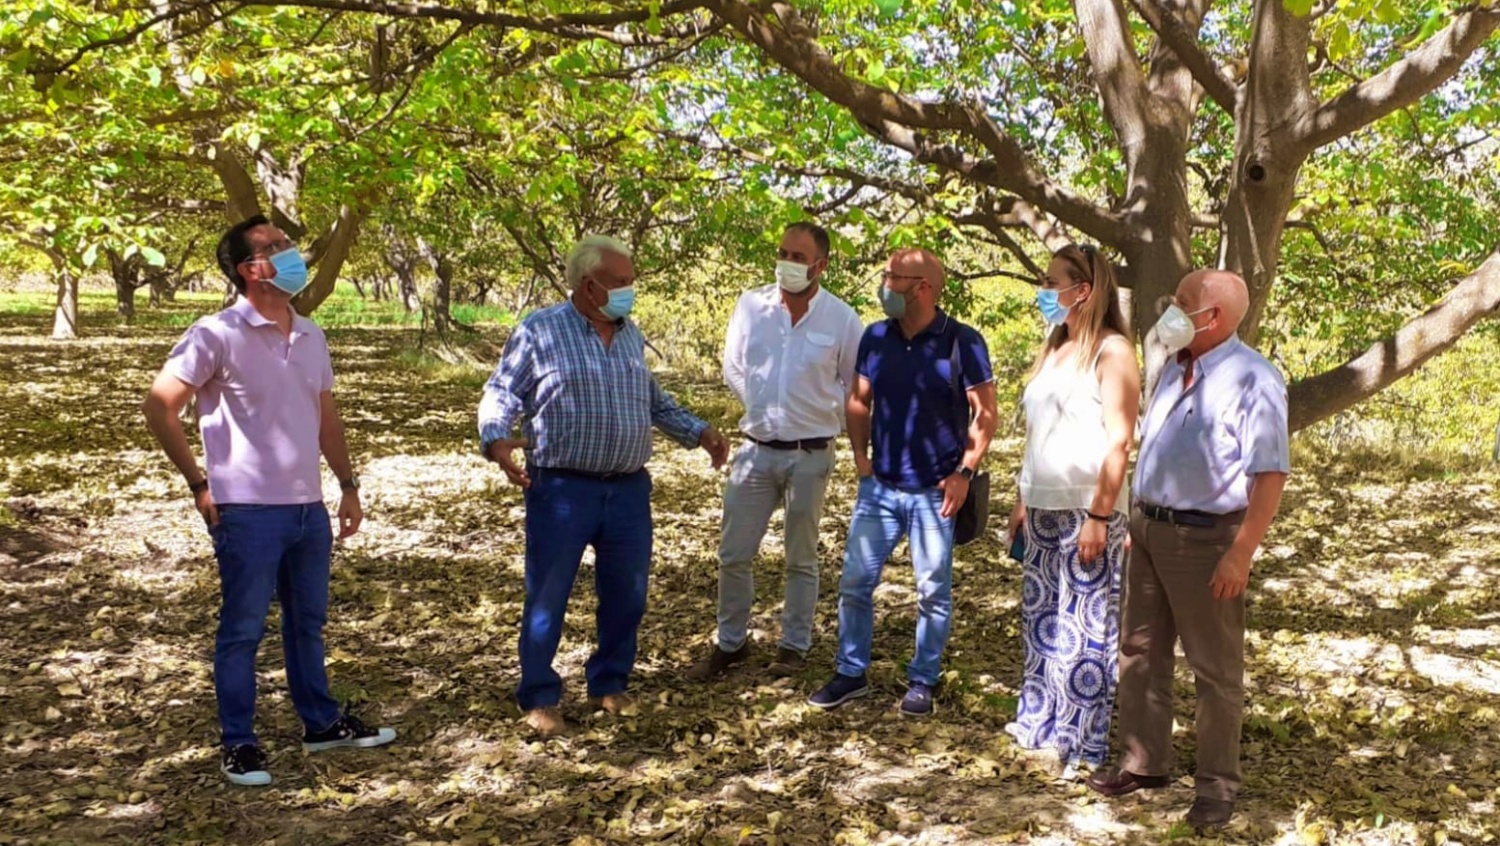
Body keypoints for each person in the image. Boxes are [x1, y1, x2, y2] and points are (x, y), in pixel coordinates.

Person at [142, 215, 396, 787]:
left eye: (287, 244)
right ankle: (240, 743)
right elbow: (161, 407)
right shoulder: (215, 334)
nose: (290, 253)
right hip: (247, 511)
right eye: (274, 247)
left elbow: (324, 414)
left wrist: (348, 485)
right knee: (242, 630)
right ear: (248, 270)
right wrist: (198, 484)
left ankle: (321, 725)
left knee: (307, 623)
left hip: (307, 509)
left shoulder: (310, 333)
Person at [479, 234, 731, 736]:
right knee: (548, 594)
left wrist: (700, 432)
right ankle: (540, 695)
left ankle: (609, 684)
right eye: (621, 282)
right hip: (563, 490)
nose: (630, 290)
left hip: (628, 490)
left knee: (627, 594)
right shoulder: (540, 331)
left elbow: (655, 402)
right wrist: (496, 439)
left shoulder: (631, 334)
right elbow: (501, 390)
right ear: (589, 286)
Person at [1086, 269, 1290, 831]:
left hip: (1207, 540)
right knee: (1140, 650)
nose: (1170, 311)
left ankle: (1216, 788)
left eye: (1182, 303)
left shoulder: (1255, 379)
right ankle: (1143, 763)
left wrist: (1241, 552)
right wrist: (1139, 517)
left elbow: (1270, 475)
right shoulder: (1174, 367)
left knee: (1214, 669)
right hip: (1149, 530)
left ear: (1215, 317)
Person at [808, 248, 997, 717]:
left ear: (923, 288)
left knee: (933, 590)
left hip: (937, 494)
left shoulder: (963, 342)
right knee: (854, 582)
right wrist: (859, 455)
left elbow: (986, 413)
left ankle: (922, 681)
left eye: (894, 277)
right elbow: (858, 400)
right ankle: (851, 673)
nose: (885, 284)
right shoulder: (875, 338)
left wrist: (964, 473)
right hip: (881, 489)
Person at [687, 222, 864, 681]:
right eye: (783, 252)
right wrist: (765, 408)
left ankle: (793, 647)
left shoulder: (842, 319)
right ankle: (731, 644)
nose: (787, 262)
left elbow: (855, 387)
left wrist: (822, 422)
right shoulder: (752, 305)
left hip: (811, 454)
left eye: (799, 257)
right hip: (755, 451)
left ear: (821, 266)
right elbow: (735, 366)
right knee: (734, 553)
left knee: (800, 557)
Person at [1003, 244, 1140, 774]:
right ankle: (1038, 722)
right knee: (1042, 623)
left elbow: (1120, 440)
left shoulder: (1113, 352)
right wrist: (1022, 496)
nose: (1043, 290)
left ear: (1082, 290)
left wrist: (1101, 515)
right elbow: (1040, 434)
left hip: (1088, 510)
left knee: (1085, 628)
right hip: (1041, 506)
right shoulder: (1053, 348)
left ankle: (1080, 741)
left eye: (1050, 280)